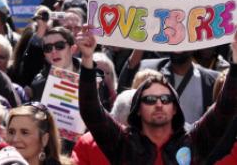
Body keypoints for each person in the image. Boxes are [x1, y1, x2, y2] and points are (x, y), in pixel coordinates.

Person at [77, 25, 237, 164]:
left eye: (166, 99)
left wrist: (235, 60)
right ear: (138, 109)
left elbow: (225, 108)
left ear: (175, 108)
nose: (159, 104)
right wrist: (87, 58)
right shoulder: (123, 144)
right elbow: (91, 110)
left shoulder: (194, 142)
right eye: (150, 99)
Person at [118, 49, 219, 124]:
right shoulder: (149, 69)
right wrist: (140, 42)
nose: (179, 44)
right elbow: (123, 90)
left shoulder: (211, 81)